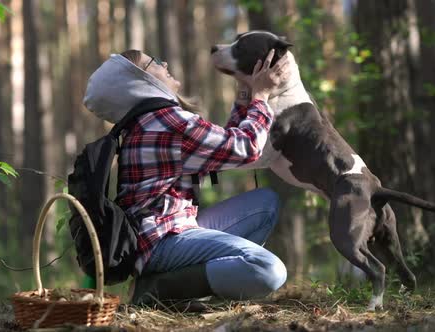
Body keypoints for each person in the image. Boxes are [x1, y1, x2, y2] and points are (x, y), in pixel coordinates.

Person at [83, 48, 294, 306]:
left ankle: (198, 283)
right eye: (156, 61)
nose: (166, 61)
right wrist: (261, 95)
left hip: (171, 231)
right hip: (161, 242)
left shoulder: (147, 120)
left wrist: (245, 91)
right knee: (268, 270)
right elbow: (247, 147)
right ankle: (160, 289)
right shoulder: (168, 121)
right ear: (142, 79)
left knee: (265, 204)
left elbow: (225, 145)